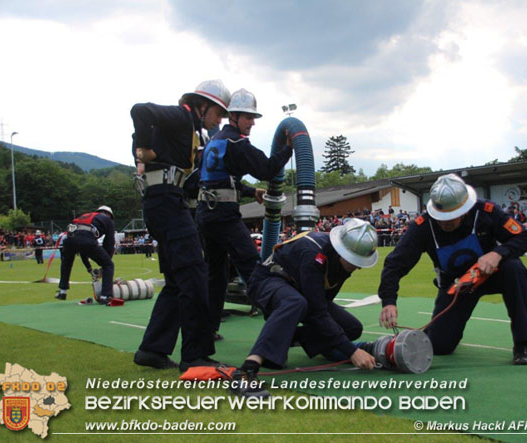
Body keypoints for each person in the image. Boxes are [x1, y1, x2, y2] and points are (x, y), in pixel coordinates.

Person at [378, 174, 527, 365]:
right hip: (456, 287)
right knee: (440, 345)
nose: (445, 222)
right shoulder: (422, 226)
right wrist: (389, 301)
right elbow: (395, 264)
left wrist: (498, 253)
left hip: (492, 274)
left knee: (514, 267)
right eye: (440, 217)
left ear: (466, 208)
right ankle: (435, 330)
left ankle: (523, 344)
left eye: (452, 217)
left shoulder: (487, 211)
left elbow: (525, 237)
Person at [130, 79, 231, 371]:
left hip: (162, 201)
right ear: (203, 106)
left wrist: (142, 151)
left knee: (177, 281)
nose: (219, 119)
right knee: (195, 275)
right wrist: (143, 149)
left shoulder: (185, 128)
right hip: (166, 202)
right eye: (218, 113)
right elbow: (140, 111)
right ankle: (195, 355)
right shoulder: (181, 117)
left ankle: (152, 349)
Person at [230, 218, 379, 397]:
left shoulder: (343, 264)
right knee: (295, 302)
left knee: (352, 327)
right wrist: (351, 351)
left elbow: (322, 304)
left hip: (300, 293)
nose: (358, 267)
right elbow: (317, 312)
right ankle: (246, 371)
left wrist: (342, 344)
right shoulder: (313, 253)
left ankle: (288, 338)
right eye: (354, 261)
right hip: (268, 282)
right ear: (342, 250)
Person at [196, 88, 294, 340]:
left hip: (206, 214)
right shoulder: (238, 143)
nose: (252, 123)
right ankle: (280, 324)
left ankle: (207, 328)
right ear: (234, 116)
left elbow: (218, 179)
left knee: (215, 274)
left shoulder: (214, 142)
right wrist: (289, 149)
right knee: (253, 267)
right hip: (224, 216)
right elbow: (268, 169)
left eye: (253, 118)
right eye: (248, 117)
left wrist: (251, 191)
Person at [55, 206, 115, 303]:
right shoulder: (108, 220)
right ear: (109, 215)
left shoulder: (84, 216)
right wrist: (106, 262)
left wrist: (89, 268)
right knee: (109, 265)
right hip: (86, 239)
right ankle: (105, 296)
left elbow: (82, 249)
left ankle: (62, 292)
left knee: (67, 263)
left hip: (70, 239)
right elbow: (109, 243)